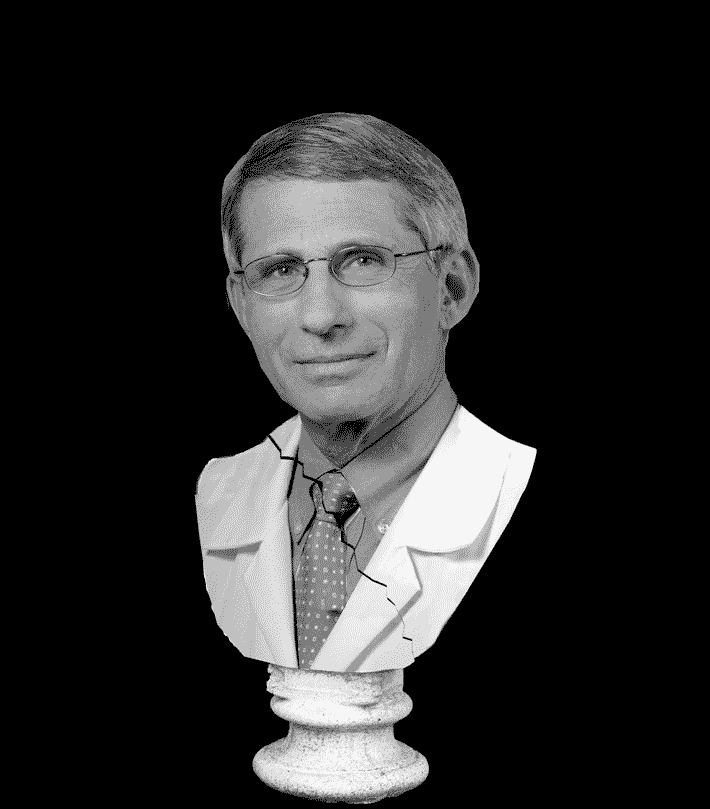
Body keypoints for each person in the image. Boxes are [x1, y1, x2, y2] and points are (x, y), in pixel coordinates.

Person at [196, 113, 536, 673]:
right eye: (279, 270)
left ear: (453, 287)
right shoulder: (206, 498)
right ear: (240, 305)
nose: (321, 316)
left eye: (362, 262)